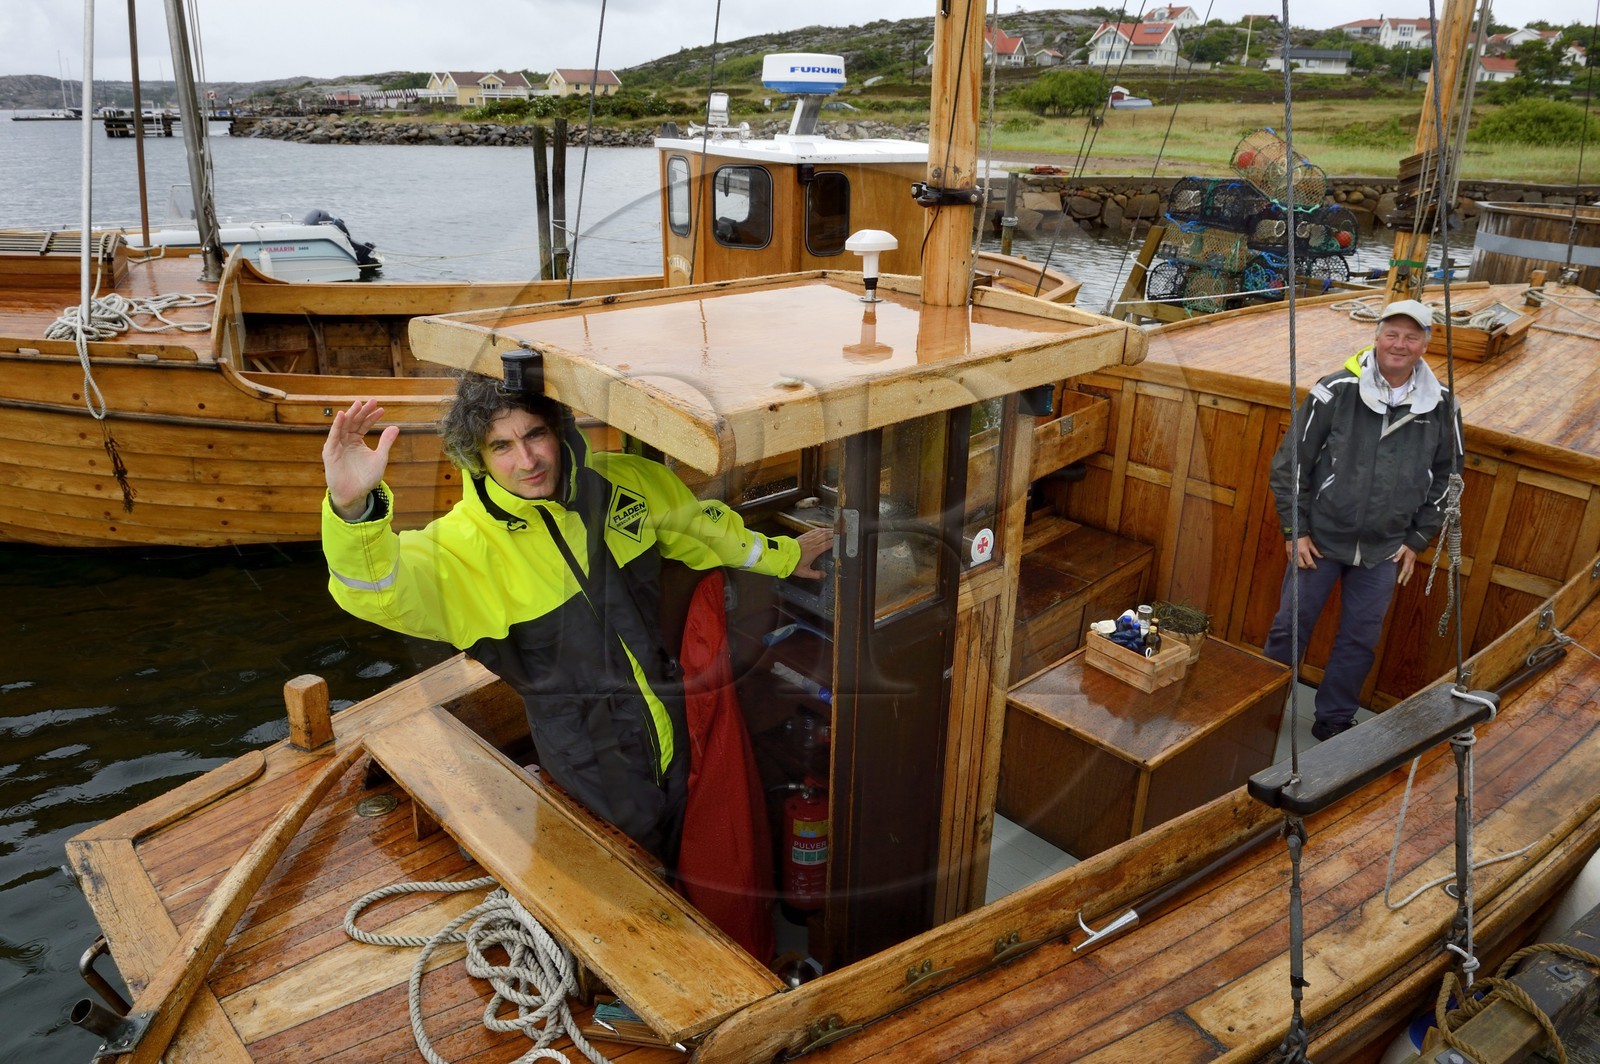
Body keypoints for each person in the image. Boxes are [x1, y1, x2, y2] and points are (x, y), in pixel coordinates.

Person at [321, 374, 831, 861]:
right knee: (632, 872)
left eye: (535, 435)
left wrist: (783, 556)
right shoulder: (460, 550)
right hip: (588, 758)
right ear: (476, 458)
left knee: (688, 846)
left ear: (558, 429)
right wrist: (354, 512)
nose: (527, 460)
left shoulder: (626, 483)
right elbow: (376, 593)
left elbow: (703, 531)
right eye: (501, 447)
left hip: (671, 718)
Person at [1264, 299, 1462, 741]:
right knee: (1288, 628)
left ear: (1425, 345)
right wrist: (1295, 530)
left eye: (1412, 337)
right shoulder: (1334, 390)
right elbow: (1291, 464)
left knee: (1359, 640)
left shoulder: (1442, 406)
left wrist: (1418, 538)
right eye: (1392, 333)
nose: (1400, 344)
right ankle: (1261, 709)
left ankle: (1333, 719)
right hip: (1320, 541)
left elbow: (1449, 481)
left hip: (1384, 549)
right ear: (1376, 337)